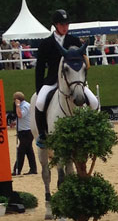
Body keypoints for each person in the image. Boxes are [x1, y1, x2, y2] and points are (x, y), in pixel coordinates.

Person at [34, 9, 98, 147]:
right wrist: (39, 88)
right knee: (39, 102)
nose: (65, 27)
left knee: (93, 101)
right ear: (56, 25)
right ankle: (43, 134)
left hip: (75, 80)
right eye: (62, 25)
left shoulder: (74, 40)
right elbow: (39, 68)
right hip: (52, 80)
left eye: (67, 24)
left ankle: (95, 130)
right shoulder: (46, 43)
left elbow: (83, 63)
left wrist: (83, 81)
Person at [13, 91, 37, 175]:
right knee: (29, 151)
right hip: (23, 131)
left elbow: (20, 115)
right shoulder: (23, 106)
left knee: (21, 151)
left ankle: (17, 170)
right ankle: (33, 169)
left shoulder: (25, 106)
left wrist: (17, 105)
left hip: (26, 132)